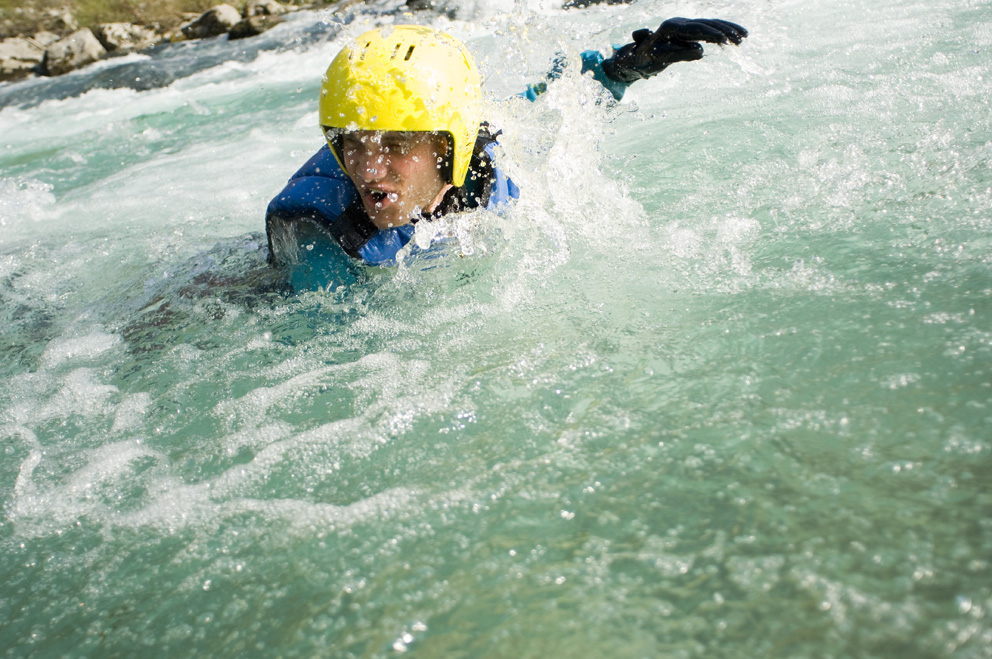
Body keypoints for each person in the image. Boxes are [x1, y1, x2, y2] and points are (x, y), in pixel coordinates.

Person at [265, 19, 748, 286]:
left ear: (450, 143)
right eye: (351, 144)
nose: (368, 169)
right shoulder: (320, 237)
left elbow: (559, 103)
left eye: (394, 145)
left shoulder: (496, 153)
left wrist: (627, 67)